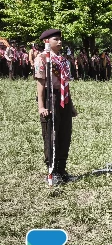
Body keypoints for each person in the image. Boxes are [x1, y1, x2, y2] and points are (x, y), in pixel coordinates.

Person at [34, 29, 78, 183]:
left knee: (65, 134)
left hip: (63, 98)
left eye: (60, 39)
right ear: (47, 41)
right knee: (51, 135)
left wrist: (70, 105)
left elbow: (65, 84)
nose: (59, 42)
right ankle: (52, 171)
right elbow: (40, 84)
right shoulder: (42, 59)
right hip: (50, 97)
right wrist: (41, 106)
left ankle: (62, 170)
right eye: (55, 39)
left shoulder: (63, 60)